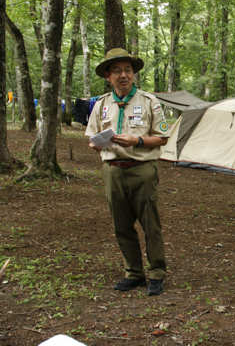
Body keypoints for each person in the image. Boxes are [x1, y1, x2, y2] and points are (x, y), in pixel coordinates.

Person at [86, 48, 171, 296]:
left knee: (150, 224)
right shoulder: (101, 104)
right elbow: (92, 137)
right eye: (117, 71)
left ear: (133, 74)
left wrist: (138, 141)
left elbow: (162, 138)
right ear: (108, 76)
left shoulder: (148, 101)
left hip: (141, 169)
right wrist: (95, 144)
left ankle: (156, 274)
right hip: (112, 170)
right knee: (121, 225)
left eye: (128, 70)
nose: (123, 75)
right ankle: (133, 273)